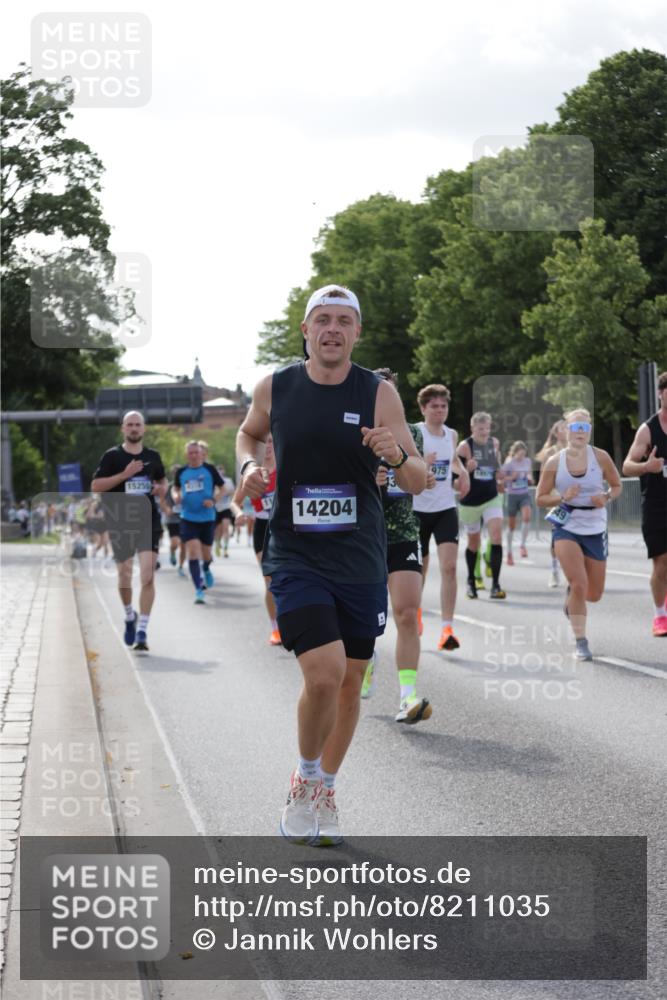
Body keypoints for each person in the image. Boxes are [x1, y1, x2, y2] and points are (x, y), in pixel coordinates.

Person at [236, 284, 426, 846]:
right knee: (323, 674)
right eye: (323, 319)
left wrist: (393, 453)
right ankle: (303, 779)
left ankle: (326, 788)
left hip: (360, 557)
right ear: (306, 329)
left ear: (357, 333)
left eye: (344, 320)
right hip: (295, 552)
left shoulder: (377, 392)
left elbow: (420, 478)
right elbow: (249, 431)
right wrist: (249, 463)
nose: (333, 329)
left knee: (350, 684)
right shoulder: (276, 387)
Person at [366, 369, 432, 721]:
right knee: (363, 619)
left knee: (407, 613)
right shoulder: (353, 433)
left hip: (404, 530)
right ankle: (366, 657)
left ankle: (408, 696)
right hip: (362, 535)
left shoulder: (412, 436)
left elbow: (418, 478)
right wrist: (368, 480)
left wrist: (419, 474)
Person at [536, 408, 622, 660]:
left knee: (593, 594)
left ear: (589, 431)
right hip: (566, 524)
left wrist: (605, 497)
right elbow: (540, 498)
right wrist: (563, 496)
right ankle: (581, 642)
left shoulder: (601, 457)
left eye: (584, 428)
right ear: (566, 430)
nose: (579, 433)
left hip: (595, 526)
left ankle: (572, 598)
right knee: (579, 583)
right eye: (575, 427)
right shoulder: (554, 462)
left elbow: (617, 486)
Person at [91, 410, 167, 652]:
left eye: (138, 424)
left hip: (149, 521)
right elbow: (96, 486)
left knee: (147, 576)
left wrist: (160, 489)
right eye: (130, 424)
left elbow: (162, 482)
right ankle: (129, 615)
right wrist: (125, 474)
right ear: (123, 429)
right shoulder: (112, 456)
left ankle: (143, 631)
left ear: (144, 429)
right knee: (124, 575)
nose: (134, 428)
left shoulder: (153, 457)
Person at [411, 383, 470, 650]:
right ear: (423, 408)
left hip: (445, 508)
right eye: (434, 406)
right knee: (418, 571)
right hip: (417, 509)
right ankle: (416, 612)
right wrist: (424, 462)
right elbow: (403, 465)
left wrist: (464, 473)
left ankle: (447, 628)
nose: (439, 410)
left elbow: (454, 461)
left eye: (443, 406)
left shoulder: (451, 434)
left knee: (449, 567)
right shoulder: (415, 433)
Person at [622, 371, 667, 637]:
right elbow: (627, 466)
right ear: (661, 393)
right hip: (656, 504)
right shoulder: (648, 429)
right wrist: (647, 466)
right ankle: (660, 615)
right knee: (661, 562)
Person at [231, 436, 281, 645]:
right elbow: (235, 502)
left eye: (271, 442)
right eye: (263, 443)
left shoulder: (287, 465)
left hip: (286, 527)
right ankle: (275, 629)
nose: (268, 446)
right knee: (270, 581)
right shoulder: (251, 475)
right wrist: (238, 514)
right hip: (263, 527)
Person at [457, 412, 506, 599]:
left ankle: (495, 585)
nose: (485, 432)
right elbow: (455, 478)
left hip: (491, 497)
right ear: (472, 429)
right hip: (470, 501)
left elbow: (497, 466)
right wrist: (465, 470)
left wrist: (500, 475)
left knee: (496, 535)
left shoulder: (494, 443)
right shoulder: (464, 447)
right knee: (474, 542)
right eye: (480, 429)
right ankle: (471, 582)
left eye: (487, 428)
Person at [172, 441, 223, 604]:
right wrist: (176, 496)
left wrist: (213, 500)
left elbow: (224, 488)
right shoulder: (181, 472)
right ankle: (198, 589)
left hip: (207, 518)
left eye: (196, 452)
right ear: (187, 455)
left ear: (202, 454)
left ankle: (207, 568)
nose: (193, 455)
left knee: (206, 555)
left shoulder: (209, 469)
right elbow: (175, 488)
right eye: (190, 453)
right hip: (188, 517)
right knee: (193, 553)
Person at [537, 418, 569, 588]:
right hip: (556, 498)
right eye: (563, 428)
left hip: (573, 497)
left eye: (568, 428)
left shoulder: (576, 450)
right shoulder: (550, 453)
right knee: (557, 534)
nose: (566, 430)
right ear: (557, 433)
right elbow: (543, 477)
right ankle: (555, 569)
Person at [501, 441, 534, 565]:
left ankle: (522, 545)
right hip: (512, 496)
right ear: (514, 453)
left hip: (524, 494)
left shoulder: (527, 461)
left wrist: (529, 478)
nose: (521, 457)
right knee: (512, 526)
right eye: (519, 454)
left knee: (527, 517)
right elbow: (501, 479)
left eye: (523, 454)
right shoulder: (509, 463)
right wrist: (511, 477)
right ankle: (509, 552)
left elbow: (529, 473)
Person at [161, 467, 185, 571]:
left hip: (186, 518)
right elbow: (162, 501)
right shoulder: (169, 487)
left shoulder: (187, 485)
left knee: (183, 545)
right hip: (172, 519)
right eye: (175, 473)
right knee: (175, 542)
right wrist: (167, 510)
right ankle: (172, 552)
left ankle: (180, 566)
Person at [214, 464, 236, 558]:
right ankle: (218, 544)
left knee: (226, 527)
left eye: (221, 470)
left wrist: (228, 494)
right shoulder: (213, 480)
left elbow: (233, 493)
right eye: (218, 470)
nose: (220, 472)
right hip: (215, 508)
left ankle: (226, 549)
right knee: (218, 530)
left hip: (226, 507)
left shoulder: (228, 481)